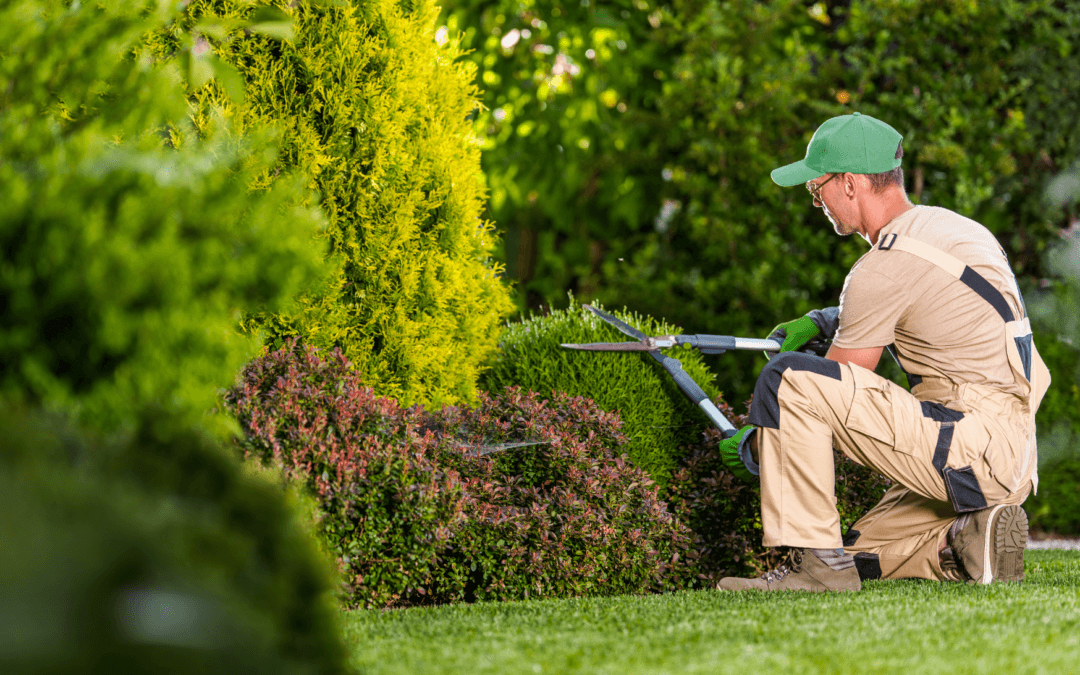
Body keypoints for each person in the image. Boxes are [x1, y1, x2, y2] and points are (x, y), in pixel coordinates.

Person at [715, 112, 1051, 592]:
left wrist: (756, 445)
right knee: (854, 551)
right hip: (1010, 455)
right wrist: (825, 320)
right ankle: (961, 540)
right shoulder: (953, 231)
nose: (816, 201)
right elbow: (928, 303)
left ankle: (817, 572)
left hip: (968, 448)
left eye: (816, 187)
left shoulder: (882, 266)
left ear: (850, 183)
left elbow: (831, 394)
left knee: (788, 379)